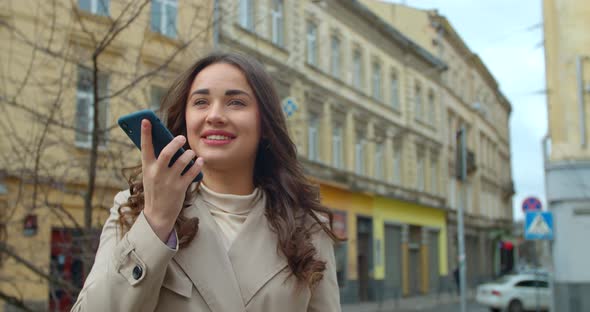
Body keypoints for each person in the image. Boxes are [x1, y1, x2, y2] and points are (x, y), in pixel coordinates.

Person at [71, 52, 342, 311]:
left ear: (265, 124)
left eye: (236, 102)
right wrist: (155, 222)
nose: (214, 115)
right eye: (200, 102)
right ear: (186, 119)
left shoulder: (307, 225)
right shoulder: (133, 208)